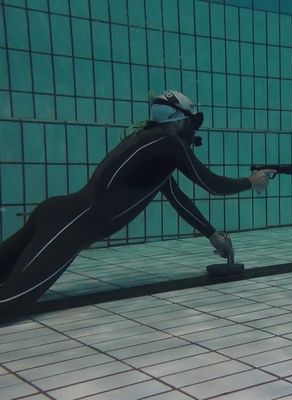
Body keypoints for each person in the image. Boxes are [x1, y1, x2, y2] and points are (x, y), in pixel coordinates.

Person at [0, 90, 275, 313]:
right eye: (193, 122)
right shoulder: (167, 143)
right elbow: (211, 184)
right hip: (70, 225)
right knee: (12, 302)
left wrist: (211, 234)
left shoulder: (151, 146)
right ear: (179, 120)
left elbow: (176, 198)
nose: (194, 130)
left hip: (62, 215)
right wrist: (250, 182)